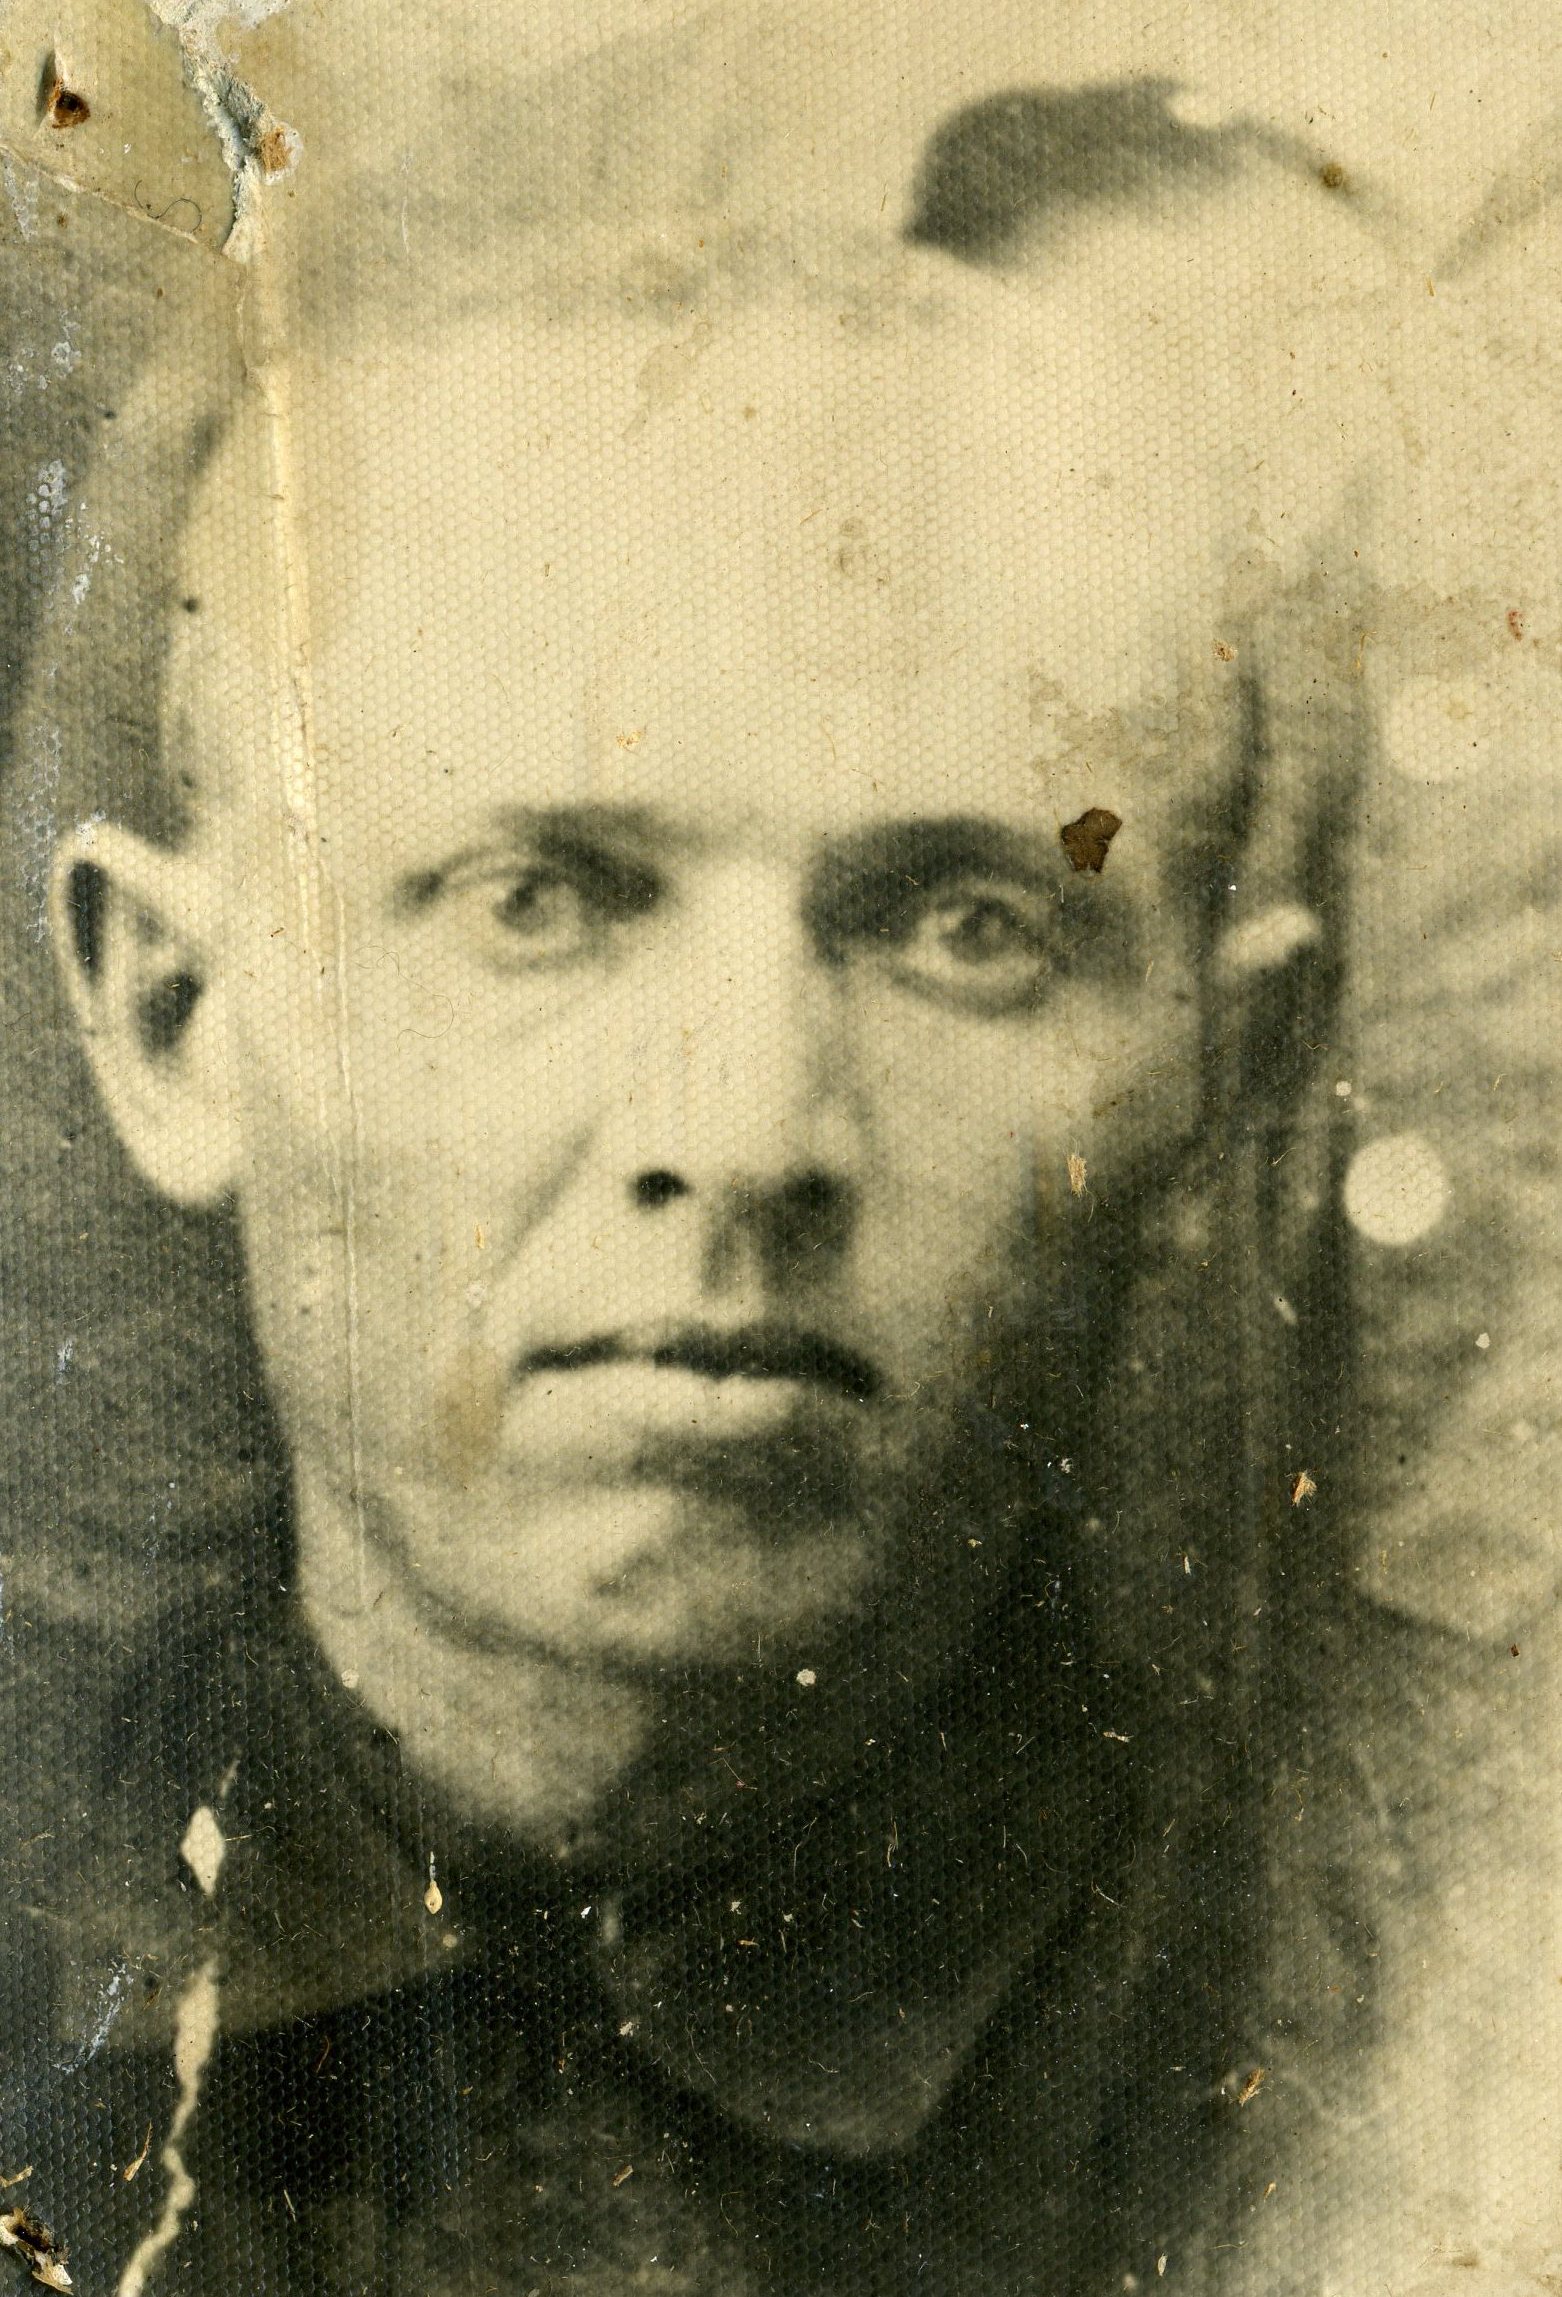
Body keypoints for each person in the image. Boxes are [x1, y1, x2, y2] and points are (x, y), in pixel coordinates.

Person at [8, 52, 1397, 2297]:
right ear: (177, 1021)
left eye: (963, 927)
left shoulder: (1452, 2044)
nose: (742, 1135)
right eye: (539, 902)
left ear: (1215, 1085)